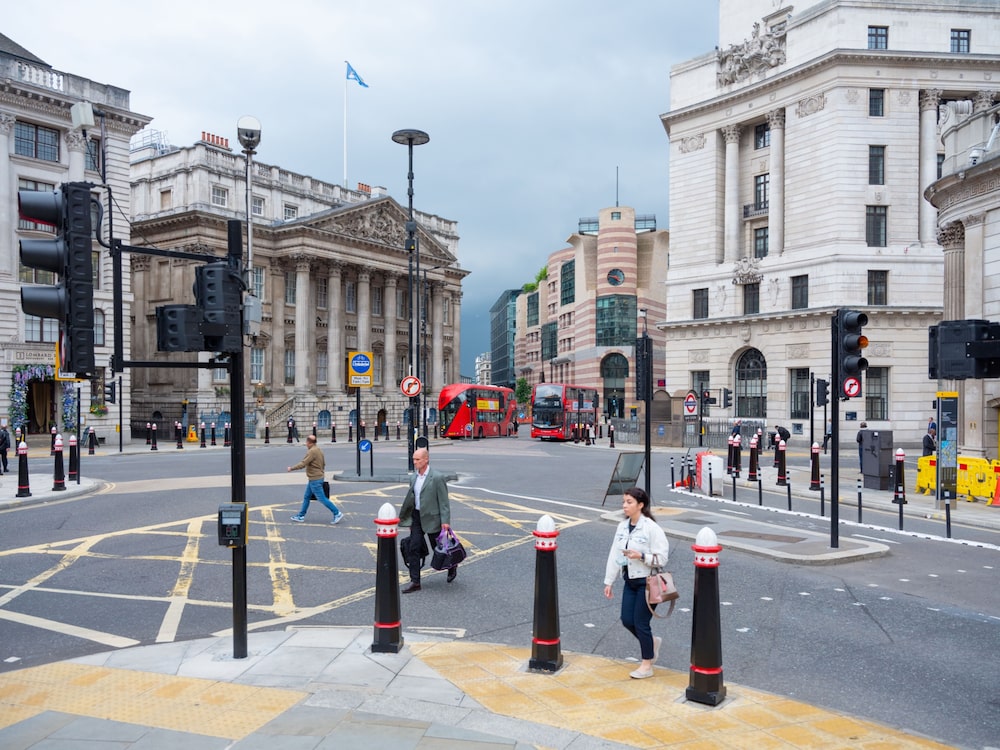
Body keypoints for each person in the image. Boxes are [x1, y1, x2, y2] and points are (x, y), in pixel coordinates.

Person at [603, 486, 670, 680]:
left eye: (629, 502)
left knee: (641, 623)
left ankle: (646, 664)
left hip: (647, 582)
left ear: (641, 505)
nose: (624, 505)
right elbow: (614, 554)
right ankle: (652, 643)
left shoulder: (651, 528)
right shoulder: (622, 527)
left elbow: (662, 558)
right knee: (627, 620)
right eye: (624, 502)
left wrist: (641, 555)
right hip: (630, 580)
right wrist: (609, 581)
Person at [399, 447, 456, 592]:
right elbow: (412, 500)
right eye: (413, 459)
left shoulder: (437, 477)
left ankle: (452, 565)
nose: (415, 462)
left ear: (426, 460)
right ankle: (415, 582)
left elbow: (444, 502)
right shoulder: (413, 477)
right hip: (417, 517)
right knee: (413, 548)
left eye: (417, 459)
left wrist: (445, 521)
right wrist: (410, 520)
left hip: (433, 518)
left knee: (439, 549)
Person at [287, 434, 344, 524]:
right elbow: (323, 463)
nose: (306, 444)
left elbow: (303, 463)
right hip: (316, 477)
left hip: (315, 479)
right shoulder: (319, 450)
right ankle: (301, 516)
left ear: (309, 443)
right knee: (307, 497)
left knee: (322, 498)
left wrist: (292, 468)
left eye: (306, 442)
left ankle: (337, 513)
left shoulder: (312, 451)